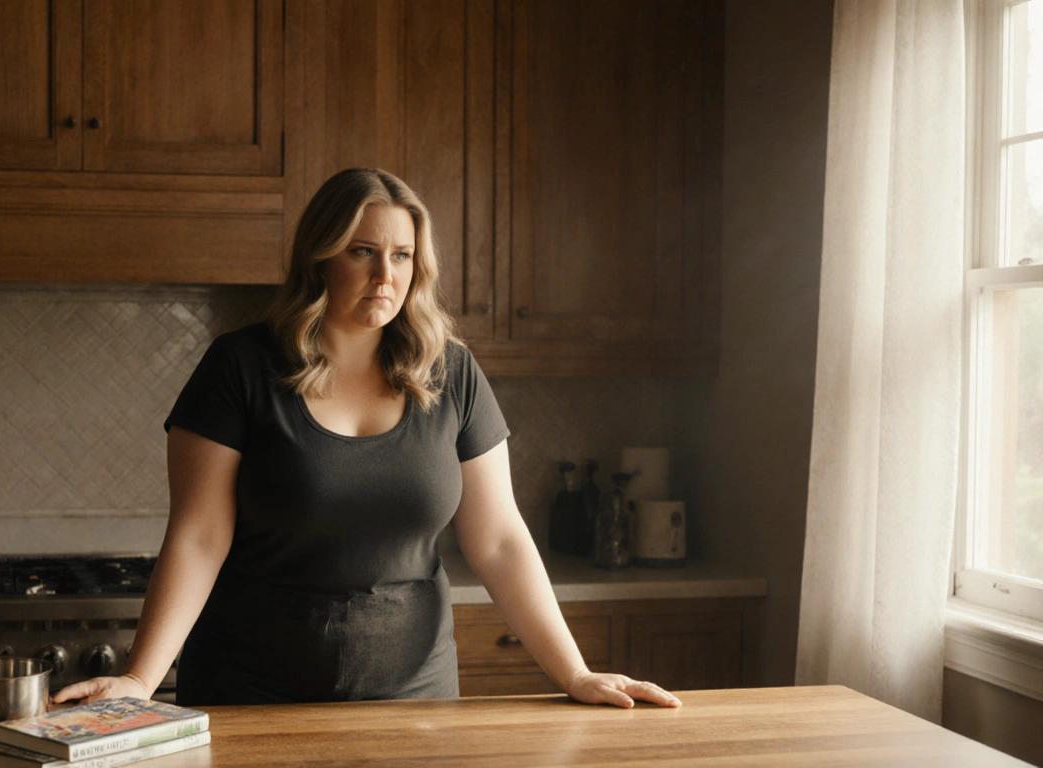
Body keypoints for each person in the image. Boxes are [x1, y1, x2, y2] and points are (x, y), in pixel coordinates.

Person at [52, 168, 681, 709]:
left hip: (414, 698)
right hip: (250, 695)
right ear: (320, 257)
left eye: (402, 255)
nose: (385, 274)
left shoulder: (453, 373)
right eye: (362, 251)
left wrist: (574, 673)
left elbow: (499, 539)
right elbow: (198, 537)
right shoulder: (239, 368)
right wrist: (140, 678)